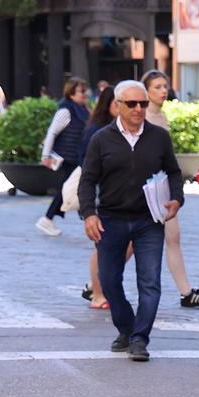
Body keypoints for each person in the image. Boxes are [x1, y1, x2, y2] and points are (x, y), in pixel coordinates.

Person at [78, 80, 183, 362]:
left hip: (150, 221)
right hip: (110, 220)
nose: (139, 109)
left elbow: (174, 172)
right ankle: (126, 328)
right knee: (109, 280)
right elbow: (87, 180)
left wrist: (176, 199)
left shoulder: (159, 137)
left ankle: (139, 339)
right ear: (118, 105)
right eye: (132, 104)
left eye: (143, 104)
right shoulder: (101, 139)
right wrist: (89, 214)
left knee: (150, 282)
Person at [141, 70, 199, 307]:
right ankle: (98, 283)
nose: (164, 91)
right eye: (157, 87)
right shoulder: (142, 116)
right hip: (144, 189)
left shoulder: (160, 115)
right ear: (146, 91)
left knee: (173, 236)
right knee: (129, 243)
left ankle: (186, 292)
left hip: (160, 186)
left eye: (165, 86)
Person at [74, 86, 121, 310]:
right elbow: (87, 170)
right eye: (119, 104)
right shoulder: (96, 132)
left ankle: (99, 285)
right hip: (100, 197)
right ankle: (97, 293)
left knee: (118, 245)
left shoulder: (123, 130)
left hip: (120, 197)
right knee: (102, 247)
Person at [35, 77, 91, 237]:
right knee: (70, 189)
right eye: (81, 91)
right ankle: (48, 218)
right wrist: (45, 155)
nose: (84, 94)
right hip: (67, 157)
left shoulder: (83, 109)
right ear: (71, 93)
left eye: (85, 91)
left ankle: (50, 218)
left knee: (71, 188)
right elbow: (52, 132)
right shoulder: (66, 110)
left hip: (76, 156)